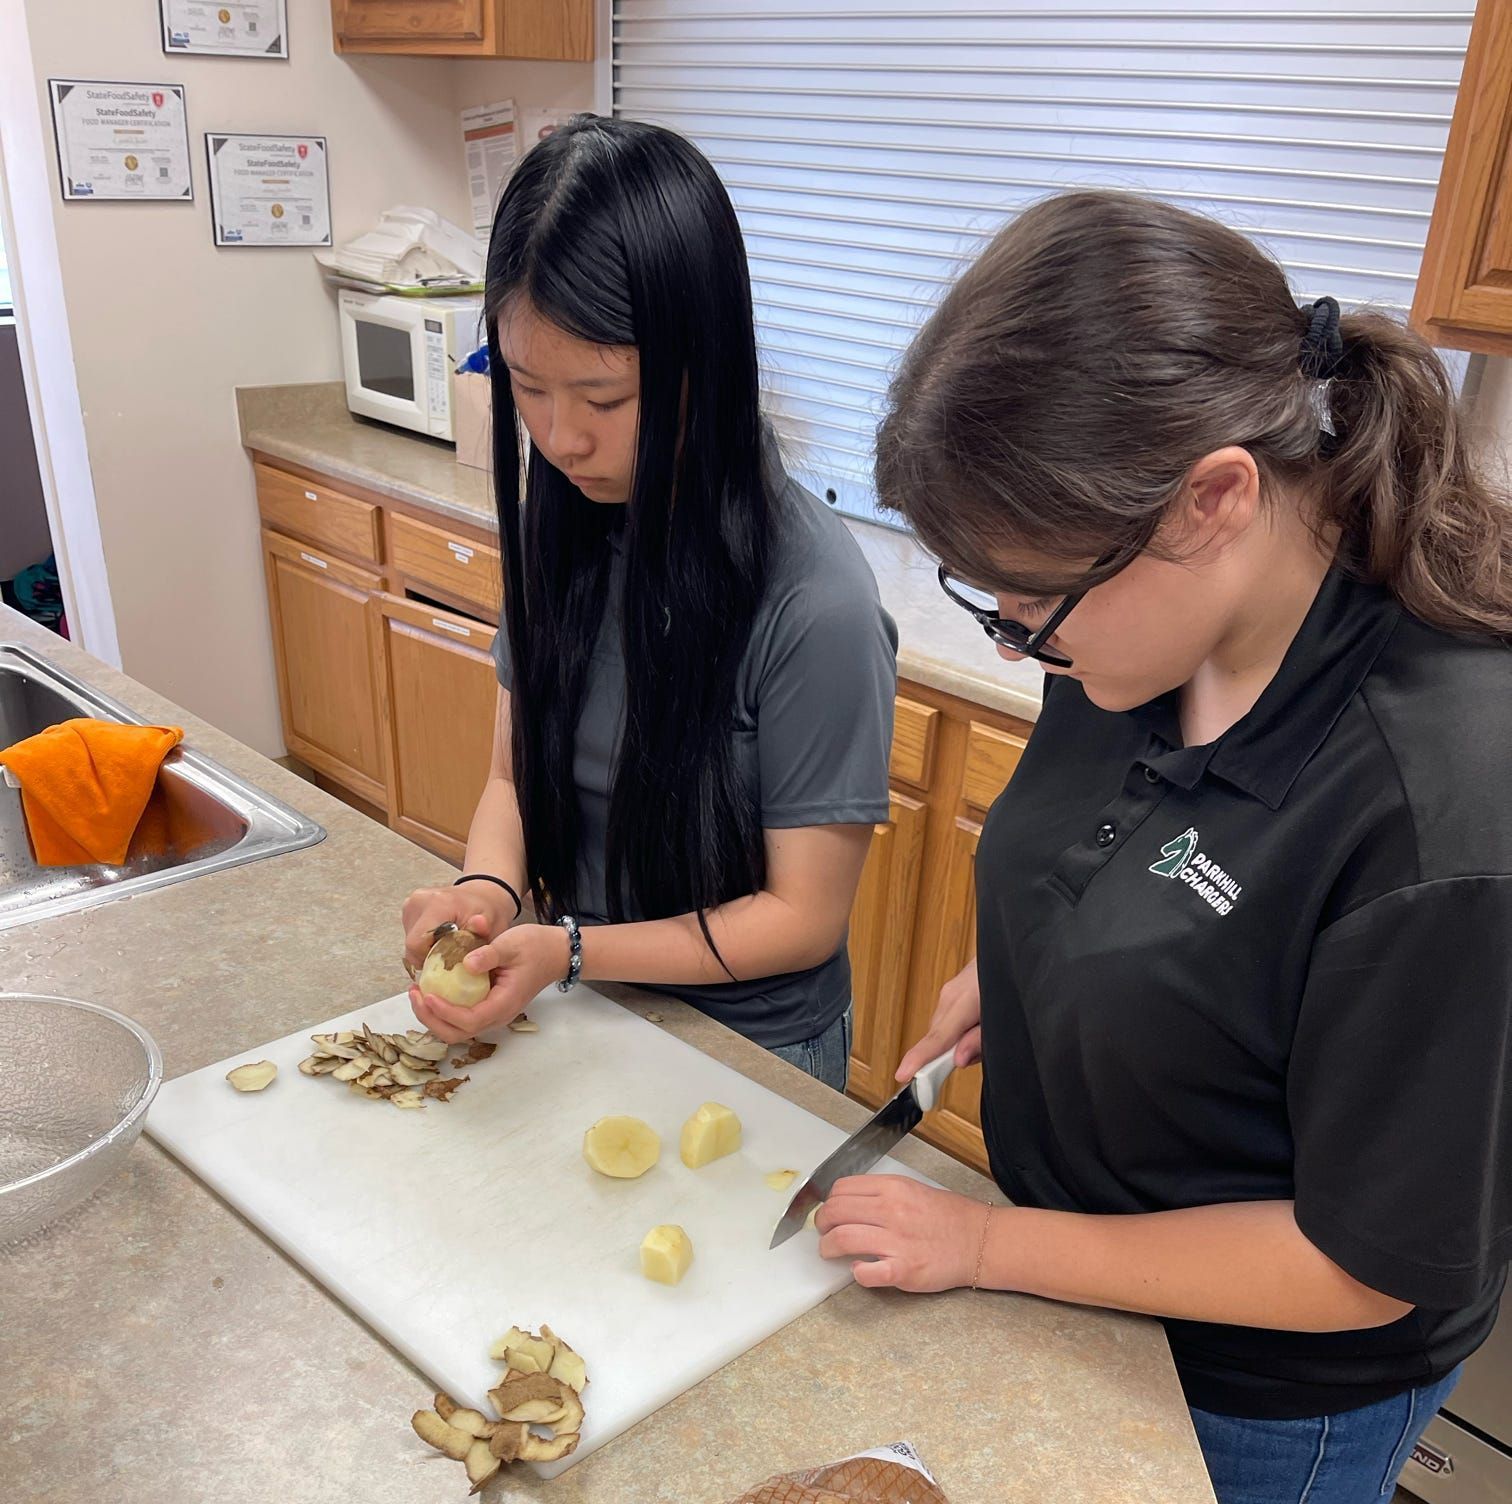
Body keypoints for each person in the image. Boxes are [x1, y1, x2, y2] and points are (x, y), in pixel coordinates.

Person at [822, 189, 1511, 1502]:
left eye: (1033, 601)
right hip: (1078, 1274)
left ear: (1214, 499)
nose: (1016, 641)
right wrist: (1023, 974)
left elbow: (1357, 1267)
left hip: (1265, 1387)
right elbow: (1116, 861)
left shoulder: (1446, 806)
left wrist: (986, 1246)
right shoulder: (1141, 624)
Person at [400, 116, 897, 1091]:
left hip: (752, 1050)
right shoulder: (570, 517)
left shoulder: (817, 603)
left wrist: (572, 949)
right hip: (590, 1000)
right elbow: (510, 781)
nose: (559, 438)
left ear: (699, 366)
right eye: (528, 388)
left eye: (603, 398)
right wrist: (487, 895)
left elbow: (802, 915)